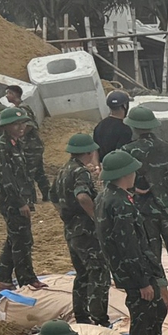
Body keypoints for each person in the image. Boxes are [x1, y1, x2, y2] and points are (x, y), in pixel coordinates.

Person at [98, 147, 168, 335]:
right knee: (143, 317)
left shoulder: (107, 196)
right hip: (134, 271)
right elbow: (127, 245)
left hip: (136, 267)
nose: (135, 176)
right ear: (124, 174)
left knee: (157, 311)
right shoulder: (120, 203)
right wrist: (142, 281)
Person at [126, 107, 168, 296]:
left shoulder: (127, 151)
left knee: (152, 254)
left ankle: (164, 296)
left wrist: (135, 190)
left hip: (144, 211)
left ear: (134, 127)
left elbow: (122, 181)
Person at [54, 132, 108, 324]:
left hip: (71, 230)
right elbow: (83, 196)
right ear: (87, 152)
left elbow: (54, 198)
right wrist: (96, 219)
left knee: (82, 274)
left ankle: (82, 316)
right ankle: (99, 317)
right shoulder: (80, 172)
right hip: (86, 230)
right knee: (98, 272)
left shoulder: (62, 171)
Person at [0, 109, 41, 290]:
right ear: (5, 126)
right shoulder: (2, 147)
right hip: (12, 202)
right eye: (16, 124)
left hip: (22, 198)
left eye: (23, 123)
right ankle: (26, 279)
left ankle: (3, 277)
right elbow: (6, 179)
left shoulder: (15, 143)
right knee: (23, 240)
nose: (21, 127)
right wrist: (20, 203)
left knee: (15, 238)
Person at [4, 87, 50, 200]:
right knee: (39, 173)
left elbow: (30, 125)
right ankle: (48, 195)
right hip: (32, 146)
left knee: (27, 173)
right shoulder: (19, 108)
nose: (6, 96)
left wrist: (19, 135)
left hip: (31, 146)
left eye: (8, 93)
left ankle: (31, 199)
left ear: (14, 94)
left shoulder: (22, 109)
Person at [93, 90, 134, 159]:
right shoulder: (125, 129)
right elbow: (123, 155)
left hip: (104, 166)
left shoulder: (99, 126)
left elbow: (95, 150)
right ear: (125, 106)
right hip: (116, 166)